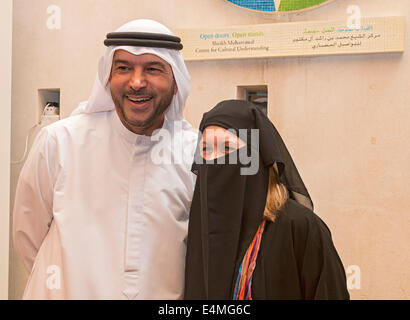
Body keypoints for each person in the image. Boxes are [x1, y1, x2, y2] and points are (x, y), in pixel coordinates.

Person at [13, 19, 197, 299]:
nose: (137, 82)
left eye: (153, 69)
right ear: (107, 77)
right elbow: (28, 237)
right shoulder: (60, 142)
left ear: (175, 83)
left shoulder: (193, 154)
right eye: (123, 68)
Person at [184, 100, 350, 300]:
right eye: (206, 150)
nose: (213, 160)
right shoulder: (202, 229)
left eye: (227, 148)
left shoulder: (299, 227)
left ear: (256, 157)